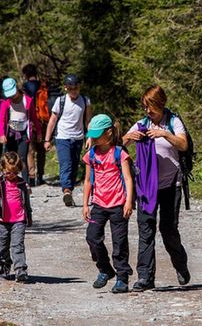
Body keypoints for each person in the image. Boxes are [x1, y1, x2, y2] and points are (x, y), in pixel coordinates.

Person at [123, 85, 191, 291]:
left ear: (161, 104)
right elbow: (118, 145)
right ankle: (145, 277)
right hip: (145, 186)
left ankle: (180, 264)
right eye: (145, 107)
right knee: (146, 229)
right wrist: (128, 138)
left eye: (151, 106)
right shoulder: (141, 124)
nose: (148, 111)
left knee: (168, 229)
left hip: (172, 184)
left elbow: (183, 145)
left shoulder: (173, 122)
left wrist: (164, 134)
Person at [82, 114, 135, 294]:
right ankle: (105, 269)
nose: (94, 138)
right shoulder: (91, 155)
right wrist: (85, 204)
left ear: (109, 133)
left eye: (97, 135)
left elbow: (128, 179)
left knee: (119, 243)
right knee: (92, 237)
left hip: (118, 205)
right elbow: (88, 181)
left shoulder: (120, 154)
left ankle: (122, 277)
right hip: (98, 204)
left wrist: (129, 201)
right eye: (93, 135)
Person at [44, 74, 91, 207]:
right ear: (66, 88)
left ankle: (69, 189)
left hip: (78, 137)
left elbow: (88, 121)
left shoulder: (85, 101)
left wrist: (90, 137)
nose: (74, 91)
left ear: (79, 87)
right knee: (66, 164)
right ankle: (66, 190)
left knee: (75, 166)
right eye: (71, 89)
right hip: (62, 137)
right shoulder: (60, 101)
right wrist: (47, 140)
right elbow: (52, 120)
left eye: (76, 88)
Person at [0, 151, 34, 283]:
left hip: (19, 220)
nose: (11, 175)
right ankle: (5, 266)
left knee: (17, 245)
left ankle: (20, 269)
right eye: (8, 172)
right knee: (3, 245)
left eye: (14, 172)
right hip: (3, 220)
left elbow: (26, 201)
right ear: (2, 169)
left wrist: (29, 215)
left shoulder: (22, 184)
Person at [0, 77, 34, 182]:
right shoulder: (5, 103)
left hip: (23, 134)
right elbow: (1, 120)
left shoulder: (27, 100)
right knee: (10, 160)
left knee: (22, 158)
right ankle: (10, 182)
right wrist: (1, 134)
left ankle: (25, 184)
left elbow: (33, 117)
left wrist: (39, 132)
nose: (12, 96)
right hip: (11, 134)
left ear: (17, 88)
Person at [22, 64, 50, 186]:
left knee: (30, 150)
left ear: (26, 75)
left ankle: (31, 177)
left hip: (30, 121)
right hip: (42, 121)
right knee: (41, 150)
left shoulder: (25, 87)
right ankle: (40, 176)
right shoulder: (42, 86)